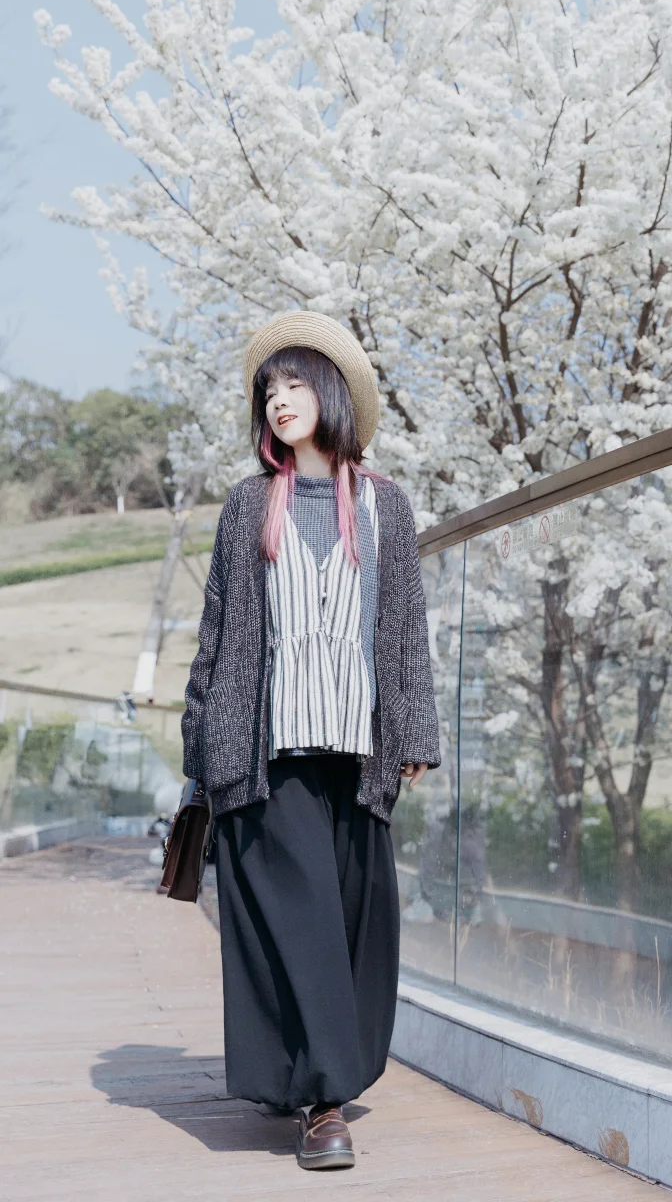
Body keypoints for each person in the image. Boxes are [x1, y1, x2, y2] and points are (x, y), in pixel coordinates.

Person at [181, 311, 440, 1171]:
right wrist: (200, 752)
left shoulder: (386, 506)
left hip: (358, 753)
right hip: (265, 753)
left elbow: (404, 630)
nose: (279, 400)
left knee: (358, 924)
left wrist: (414, 733)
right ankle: (326, 1108)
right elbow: (217, 635)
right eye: (269, 390)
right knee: (303, 925)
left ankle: (310, 1076)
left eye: (295, 383)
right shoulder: (249, 505)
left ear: (332, 392)